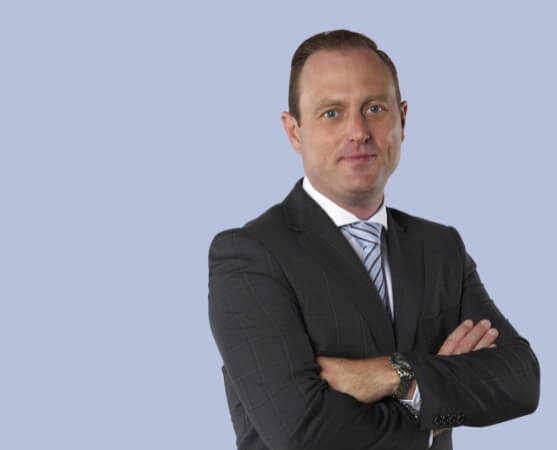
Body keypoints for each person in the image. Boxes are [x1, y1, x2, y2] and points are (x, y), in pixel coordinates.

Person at [208, 29, 540, 450]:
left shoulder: (440, 248)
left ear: (402, 118)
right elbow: (301, 434)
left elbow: (521, 383)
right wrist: (434, 408)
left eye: (374, 108)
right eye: (331, 113)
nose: (358, 131)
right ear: (294, 131)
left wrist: (392, 373)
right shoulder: (250, 256)